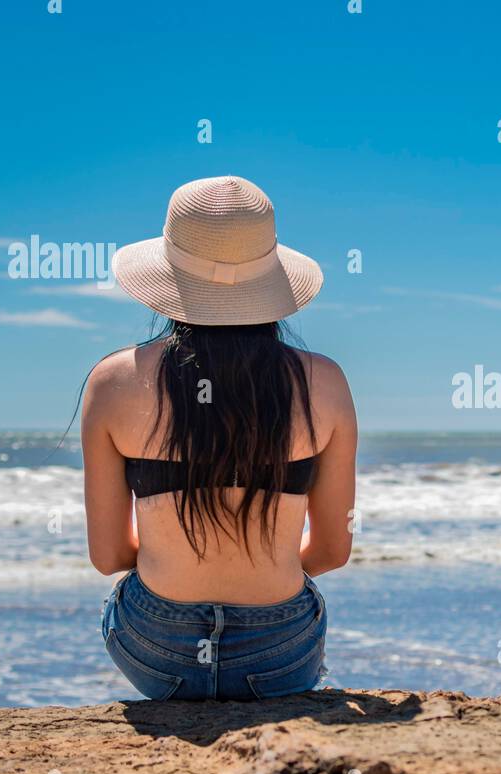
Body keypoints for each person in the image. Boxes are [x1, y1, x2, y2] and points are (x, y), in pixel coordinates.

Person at [81, 176, 356, 700]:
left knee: (122, 599)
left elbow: (109, 554)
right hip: (281, 651)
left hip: (157, 650)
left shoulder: (113, 381)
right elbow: (331, 550)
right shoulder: (326, 383)